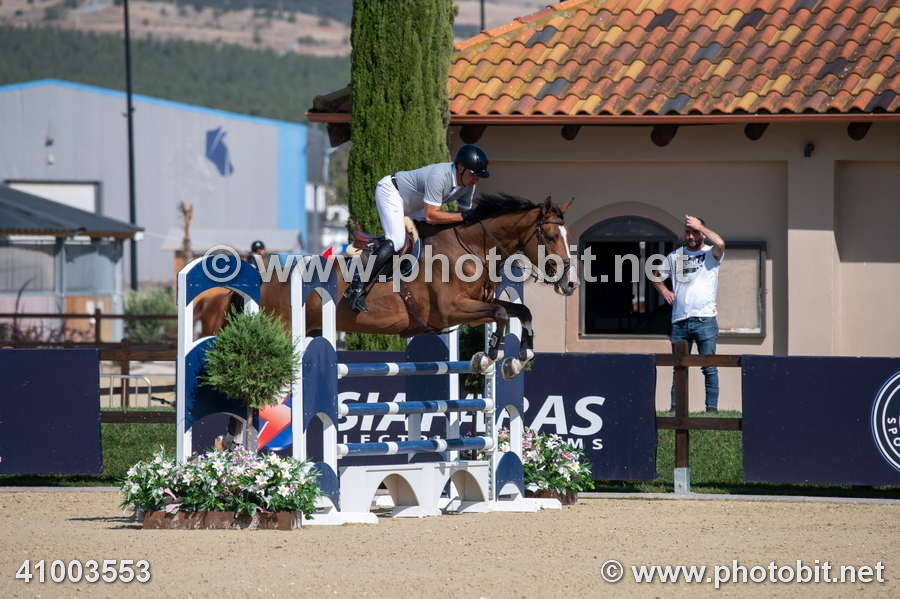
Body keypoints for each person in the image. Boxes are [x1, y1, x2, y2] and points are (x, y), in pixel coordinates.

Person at [343, 144, 491, 313]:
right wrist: (465, 216)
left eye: (479, 176)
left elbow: (464, 219)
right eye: (474, 174)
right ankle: (357, 285)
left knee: (433, 234)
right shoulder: (440, 176)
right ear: (461, 168)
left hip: (416, 204)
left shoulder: (468, 185)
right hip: (392, 192)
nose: (476, 180)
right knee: (397, 241)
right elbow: (432, 215)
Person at [651, 215, 726, 412]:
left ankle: (711, 410)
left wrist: (701, 226)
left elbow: (721, 243)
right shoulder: (675, 256)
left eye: (695, 232)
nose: (691, 236)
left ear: (702, 234)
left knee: (709, 367)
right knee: (679, 367)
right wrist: (664, 290)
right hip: (680, 321)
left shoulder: (711, 253)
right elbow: (655, 276)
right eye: (688, 233)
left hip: (705, 320)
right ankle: (676, 410)